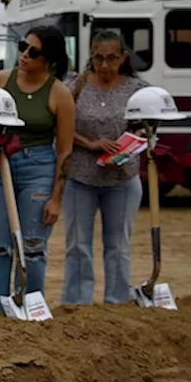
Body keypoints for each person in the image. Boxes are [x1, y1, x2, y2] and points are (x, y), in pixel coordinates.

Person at [0, 25, 77, 314]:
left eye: (34, 52)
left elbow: (65, 150)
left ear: (51, 59)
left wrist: (56, 197)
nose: (25, 55)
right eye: (22, 47)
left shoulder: (59, 94)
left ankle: (31, 308)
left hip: (39, 166)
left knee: (32, 245)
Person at [60, 30, 148, 305]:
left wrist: (135, 141)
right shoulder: (75, 85)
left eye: (111, 58)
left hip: (122, 177)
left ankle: (118, 302)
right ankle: (76, 303)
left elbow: (146, 127)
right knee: (77, 245)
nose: (105, 65)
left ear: (123, 57)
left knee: (119, 245)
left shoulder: (138, 90)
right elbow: (60, 126)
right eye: (99, 58)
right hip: (80, 176)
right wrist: (90, 143)